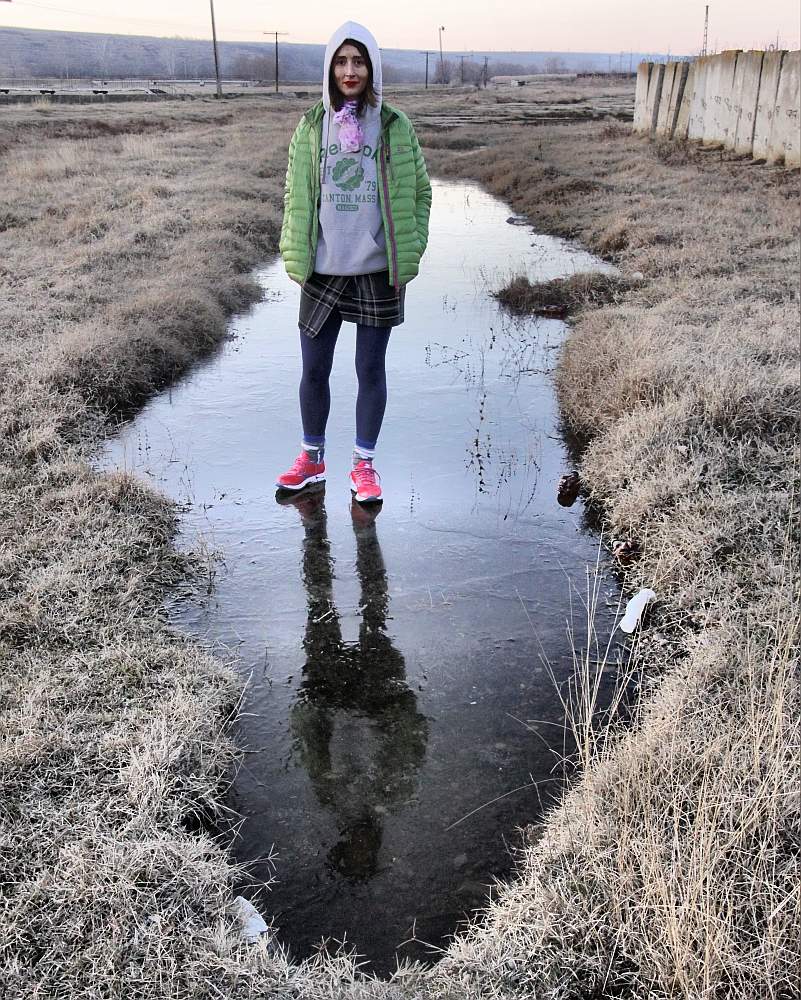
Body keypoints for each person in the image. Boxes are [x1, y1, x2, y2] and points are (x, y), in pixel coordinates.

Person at [276, 21, 432, 503]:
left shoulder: (394, 125)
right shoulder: (311, 125)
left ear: (372, 68)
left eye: (359, 61)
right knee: (313, 370)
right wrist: (294, 247)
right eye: (341, 61)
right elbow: (293, 193)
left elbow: (421, 192)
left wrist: (410, 247)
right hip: (323, 268)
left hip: (376, 269)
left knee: (370, 369)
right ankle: (312, 459)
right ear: (329, 68)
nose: (350, 71)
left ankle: (364, 466)